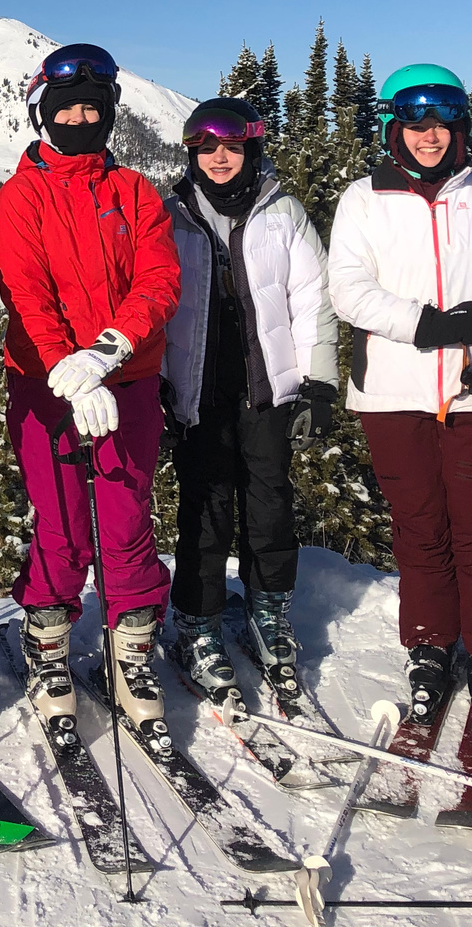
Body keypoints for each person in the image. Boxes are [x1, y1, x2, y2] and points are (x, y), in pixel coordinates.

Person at [326, 63, 472, 736]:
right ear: (395, 127)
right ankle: (429, 648)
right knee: (420, 531)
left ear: (459, 129)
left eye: (441, 123)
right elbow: (350, 292)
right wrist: (435, 325)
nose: (429, 135)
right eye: (416, 123)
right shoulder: (364, 199)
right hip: (392, 394)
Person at [0, 43, 182, 729]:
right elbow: (26, 292)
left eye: (92, 109)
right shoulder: (22, 195)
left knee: (127, 516)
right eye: (67, 108)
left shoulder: (132, 192)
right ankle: (47, 641)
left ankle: (129, 649)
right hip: (45, 386)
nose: (80, 118)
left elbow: (159, 280)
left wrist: (107, 351)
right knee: (65, 521)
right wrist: (65, 370)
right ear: (45, 114)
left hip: (125, 379)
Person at [160, 98, 338, 707]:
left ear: (251, 150)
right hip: (198, 392)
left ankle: (269, 612)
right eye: (206, 149)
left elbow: (315, 299)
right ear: (191, 154)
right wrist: (155, 384)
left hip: (266, 389)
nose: (218, 158)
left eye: (231, 148)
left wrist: (318, 383)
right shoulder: (171, 216)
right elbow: (153, 306)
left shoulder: (281, 212)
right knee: (204, 513)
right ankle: (198, 624)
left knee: (270, 505)